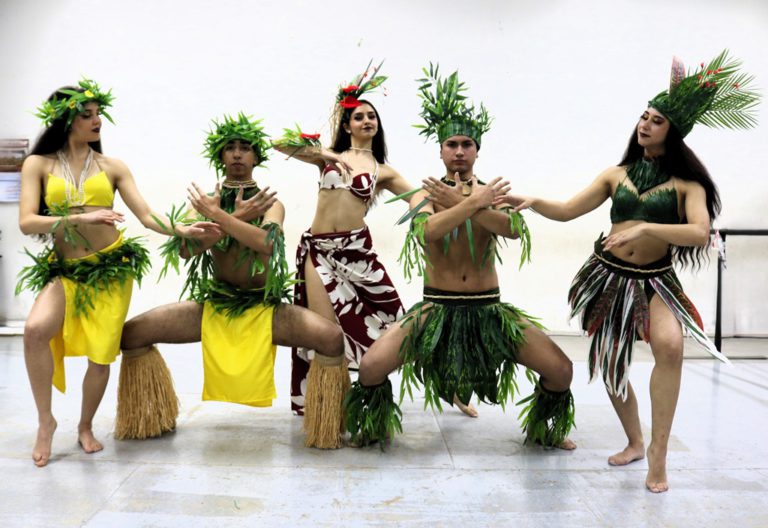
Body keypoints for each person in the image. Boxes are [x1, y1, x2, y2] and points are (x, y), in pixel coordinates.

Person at [494, 51, 759, 492]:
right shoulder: (615, 175)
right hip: (610, 278)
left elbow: (699, 232)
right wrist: (534, 202)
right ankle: (635, 440)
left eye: (656, 120)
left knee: (670, 347)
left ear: (673, 132)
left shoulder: (687, 185)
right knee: (611, 363)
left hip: (656, 281)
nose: (645, 125)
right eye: (644, 116)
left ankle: (659, 453)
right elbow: (568, 209)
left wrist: (645, 228)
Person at [344, 65, 576, 449]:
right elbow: (426, 232)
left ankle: (545, 432)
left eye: (467, 144)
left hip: (488, 309)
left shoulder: (493, 193)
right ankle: (374, 425)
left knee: (561, 370)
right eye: (451, 144)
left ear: (477, 151)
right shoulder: (426, 194)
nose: (459, 151)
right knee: (370, 367)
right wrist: (465, 204)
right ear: (440, 150)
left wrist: (466, 202)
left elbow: (512, 228)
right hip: (437, 308)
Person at [116, 113, 349, 449]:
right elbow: (186, 249)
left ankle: (327, 427)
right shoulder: (204, 204)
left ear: (256, 157)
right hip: (216, 306)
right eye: (230, 148)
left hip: (264, 308)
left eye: (245, 148)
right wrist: (226, 216)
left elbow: (267, 243)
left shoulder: (270, 203)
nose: (237, 154)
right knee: (133, 334)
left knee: (330, 338)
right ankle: (149, 417)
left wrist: (220, 218)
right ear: (220, 156)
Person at [16, 79, 216, 467]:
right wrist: (83, 217)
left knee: (101, 354)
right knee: (35, 330)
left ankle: (85, 426)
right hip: (67, 271)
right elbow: (27, 222)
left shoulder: (112, 167)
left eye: (98, 114)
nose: (97, 121)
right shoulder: (38, 164)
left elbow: (147, 215)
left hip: (110, 271)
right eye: (87, 115)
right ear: (65, 120)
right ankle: (46, 422)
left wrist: (183, 229)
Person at [271, 61, 412, 414]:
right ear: (347, 125)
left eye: (372, 117)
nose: (367, 121)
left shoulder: (384, 170)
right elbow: (278, 144)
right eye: (359, 116)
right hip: (319, 251)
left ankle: (445, 387)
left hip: (356, 252)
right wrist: (325, 154)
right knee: (326, 332)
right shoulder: (329, 159)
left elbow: (420, 199)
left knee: (397, 320)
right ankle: (330, 407)